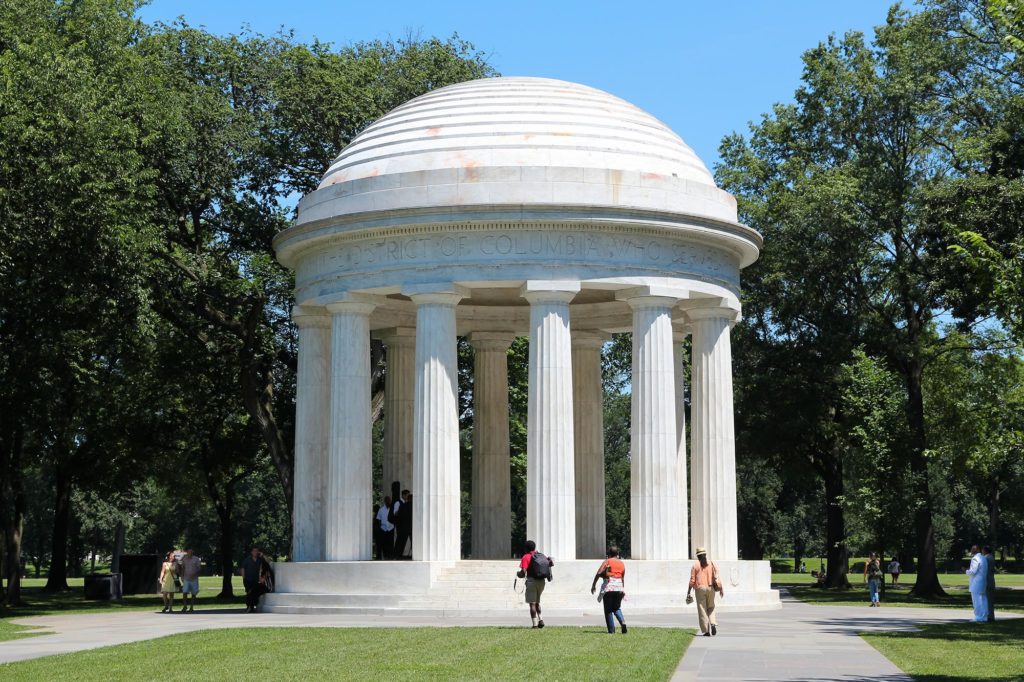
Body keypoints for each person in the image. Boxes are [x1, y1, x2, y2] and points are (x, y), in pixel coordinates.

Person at [686, 547, 723, 636]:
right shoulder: (711, 563)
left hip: (700, 589)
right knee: (711, 607)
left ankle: (706, 631)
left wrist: (688, 591)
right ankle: (713, 623)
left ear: (697, 556)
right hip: (711, 588)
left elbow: (692, 580)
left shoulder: (695, 565)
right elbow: (717, 576)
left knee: (702, 609)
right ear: (705, 555)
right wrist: (721, 588)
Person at [590, 546, 627, 634]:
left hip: (609, 586)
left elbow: (599, 573)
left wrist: (593, 585)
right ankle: (622, 622)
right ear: (617, 554)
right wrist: (622, 590)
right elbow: (622, 578)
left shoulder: (608, 561)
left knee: (608, 610)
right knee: (617, 607)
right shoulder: (622, 563)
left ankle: (611, 630)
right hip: (619, 587)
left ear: (609, 554)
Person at [517, 540, 553, 629]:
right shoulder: (541, 555)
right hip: (542, 582)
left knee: (532, 604)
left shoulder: (526, 557)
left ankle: (535, 625)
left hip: (532, 581)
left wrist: (518, 574)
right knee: (537, 602)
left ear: (526, 548)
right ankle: (541, 620)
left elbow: (523, 572)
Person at [241, 547, 272, 613]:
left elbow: (269, 561)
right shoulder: (247, 560)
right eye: (254, 551)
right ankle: (249, 607)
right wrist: (244, 577)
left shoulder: (260, 559)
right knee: (249, 592)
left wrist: (263, 555)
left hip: (256, 580)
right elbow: (243, 568)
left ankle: (251, 607)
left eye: (257, 551)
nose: (255, 552)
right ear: (251, 552)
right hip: (248, 579)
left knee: (254, 593)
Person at [966, 544, 989, 623]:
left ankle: (978, 617)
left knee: (977, 601)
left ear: (977, 550)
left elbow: (973, 572)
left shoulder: (975, 559)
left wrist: (966, 571)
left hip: (976, 583)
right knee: (983, 600)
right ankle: (984, 616)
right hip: (983, 582)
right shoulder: (983, 558)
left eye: (973, 549)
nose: (972, 550)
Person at [179, 548, 202, 613]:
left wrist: (195, 574)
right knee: (184, 592)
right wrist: (182, 576)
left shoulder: (196, 559)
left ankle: (191, 607)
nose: (190, 553)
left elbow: (199, 568)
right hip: (186, 578)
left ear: (192, 553)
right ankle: (185, 606)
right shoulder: (184, 559)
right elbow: (183, 568)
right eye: (189, 552)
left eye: (191, 552)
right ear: (187, 553)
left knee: (193, 593)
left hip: (194, 578)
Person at [393, 490, 412, 559]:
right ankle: (396, 554)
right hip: (400, 525)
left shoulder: (406, 503)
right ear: (403, 495)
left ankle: (399, 554)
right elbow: (395, 513)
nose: (408, 496)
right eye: (407, 495)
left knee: (403, 540)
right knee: (399, 540)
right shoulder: (398, 503)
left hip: (405, 525)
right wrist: (402, 509)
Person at [375, 496, 394, 560]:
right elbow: (378, 519)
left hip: (391, 528)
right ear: (385, 501)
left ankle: (390, 556)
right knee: (384, 543)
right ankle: (385, 556)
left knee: (390, 543)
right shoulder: (381, 509)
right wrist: (380, 526)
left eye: (389, 500)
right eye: (387, 500)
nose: (388, 502)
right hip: (383, 529)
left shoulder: (393, 509)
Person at [982, 545, 996, 622]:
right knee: (990, 600)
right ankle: (990, 615)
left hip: (987, 581)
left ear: (985, 551)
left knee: (988, 600)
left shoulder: (986, 558)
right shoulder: (991, 557)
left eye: (983, 550)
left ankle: (989, 616)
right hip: (991, 580)